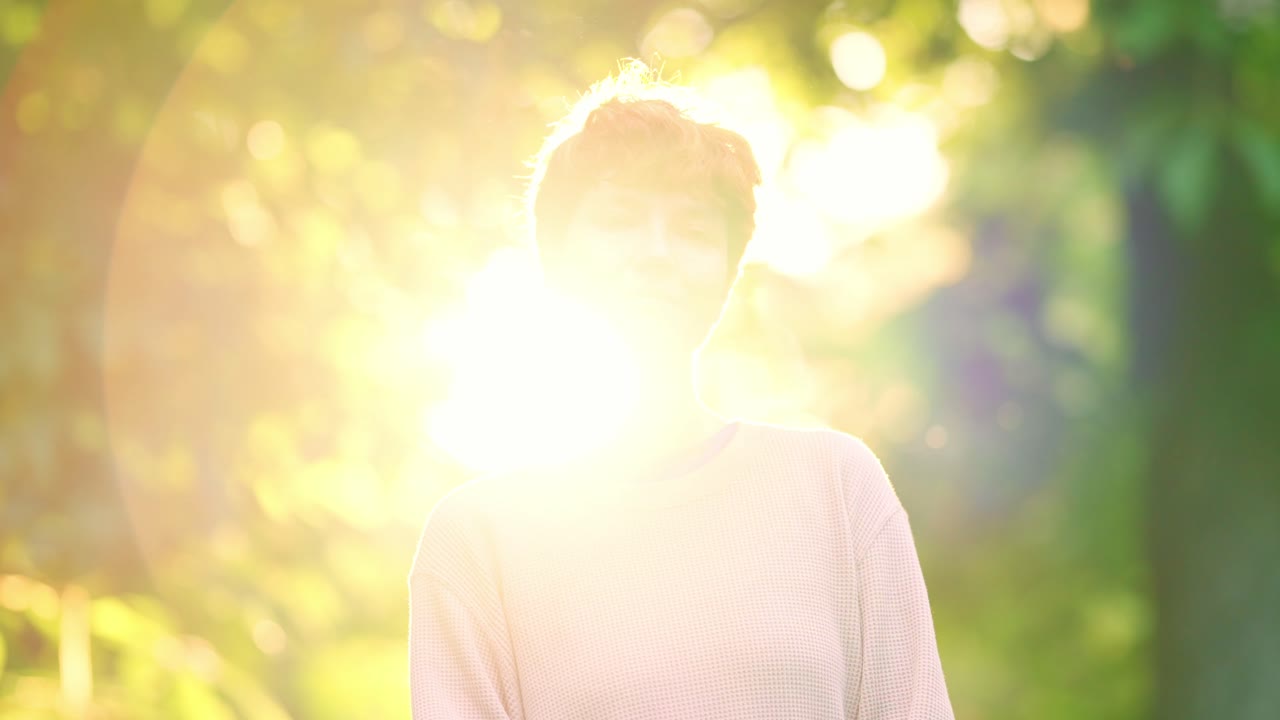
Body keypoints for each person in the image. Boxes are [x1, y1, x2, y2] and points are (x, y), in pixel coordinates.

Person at [408, 61, 955, 720]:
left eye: (694, 228)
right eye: (620, 218)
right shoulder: (476, 541)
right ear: (556, 256)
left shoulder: (838, 488)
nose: (658, 252)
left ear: (727, 272)